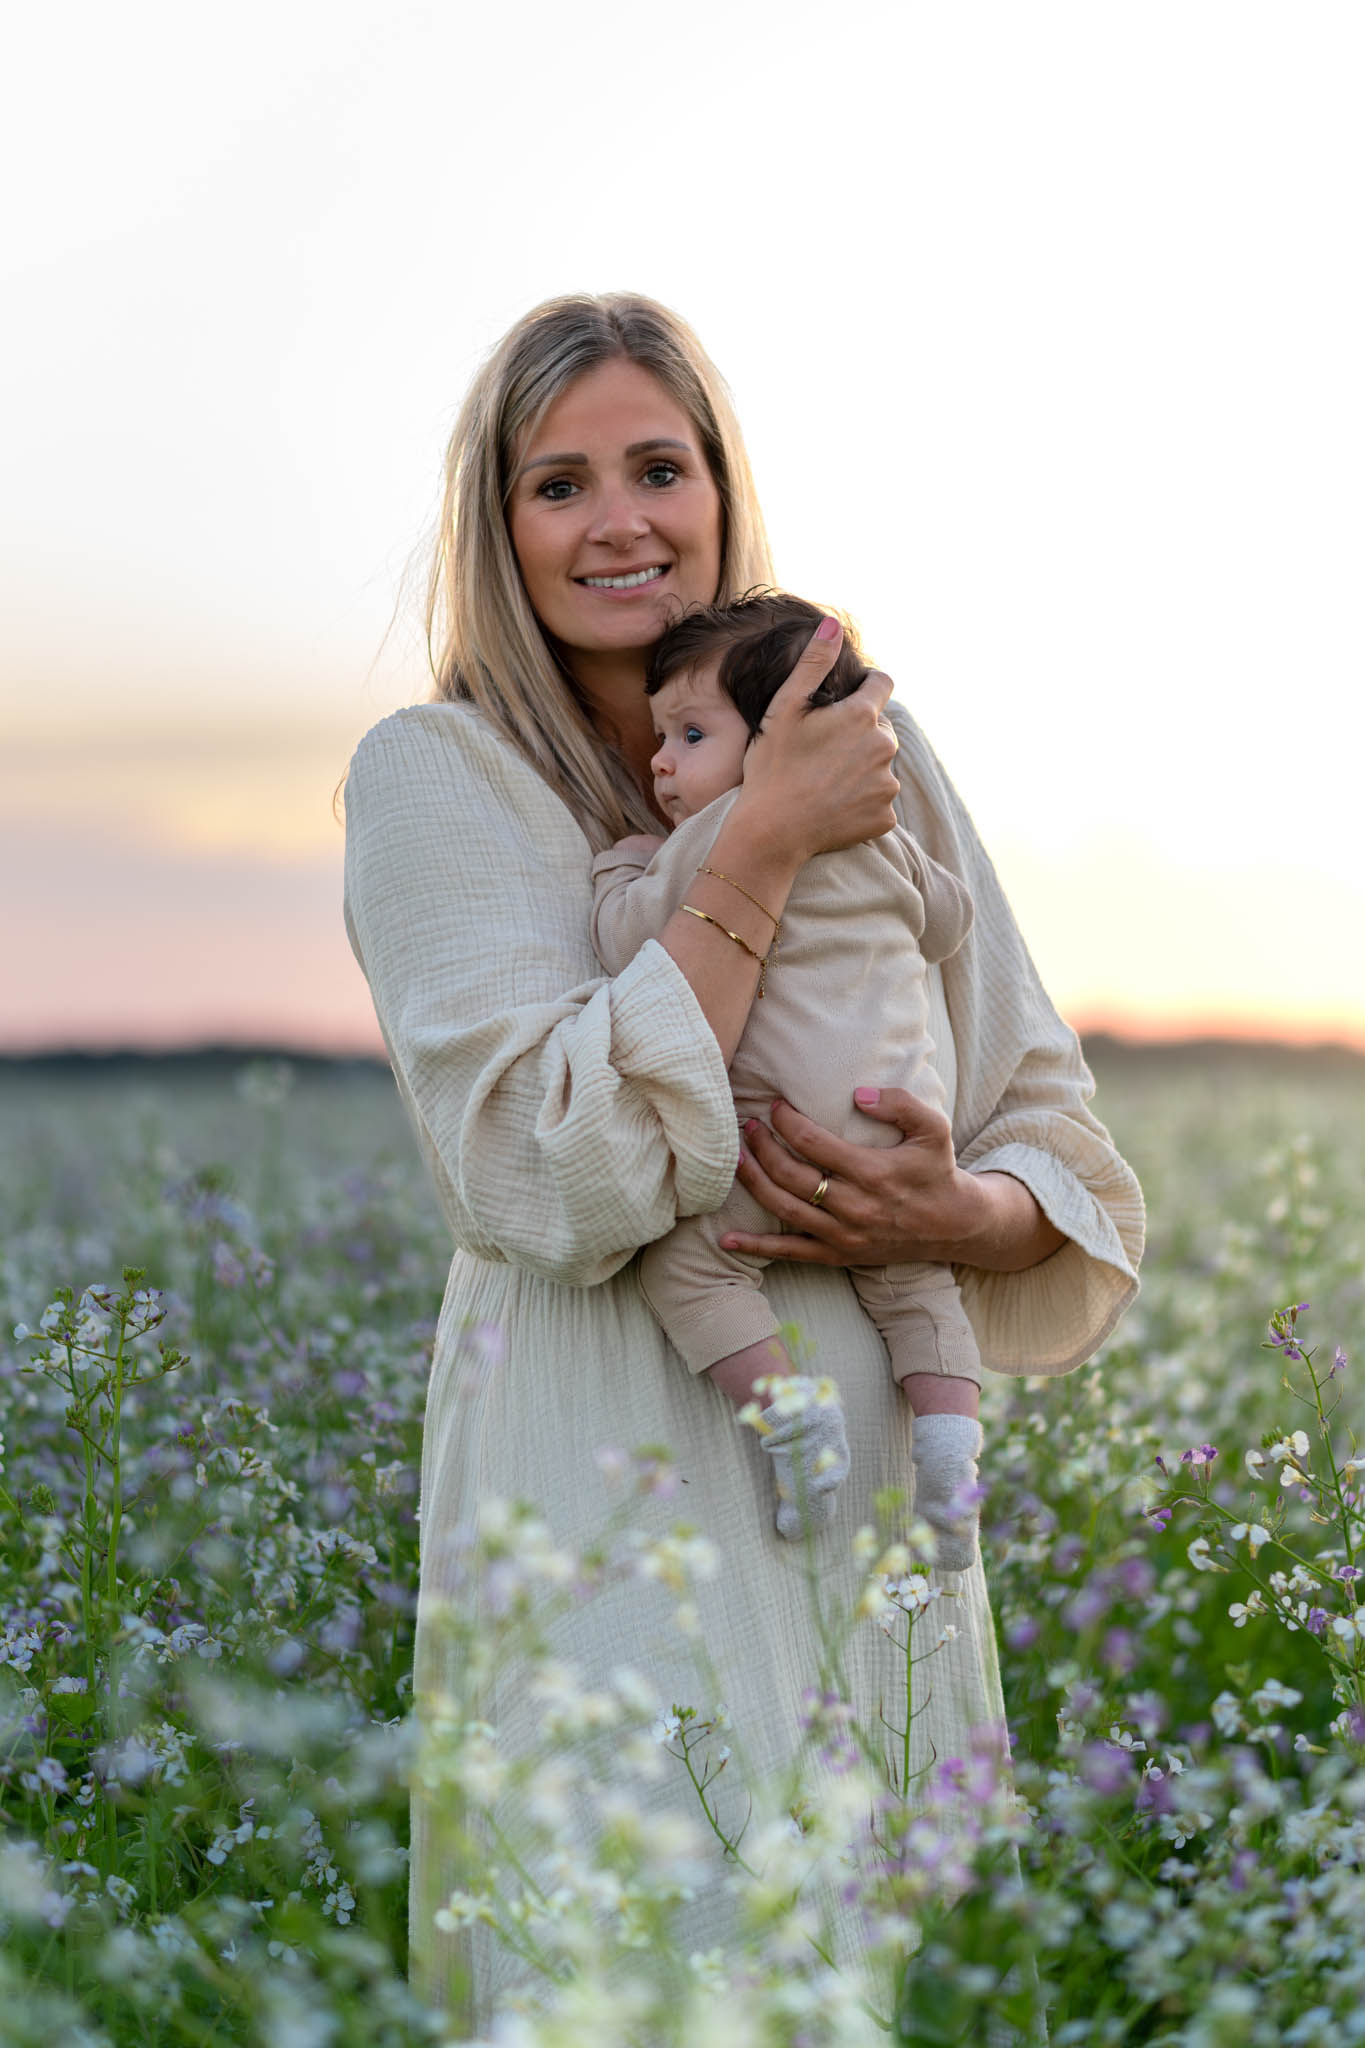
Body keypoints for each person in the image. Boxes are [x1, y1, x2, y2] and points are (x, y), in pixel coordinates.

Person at [341, 292, 1145, 2025]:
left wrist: (967, 1214)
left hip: (866, 1480)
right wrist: (761, 838)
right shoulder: (439, 777)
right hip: (597, 1467)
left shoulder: (860, 725)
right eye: (561, 483)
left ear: (720, 489)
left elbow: (1044, 1112)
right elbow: (547, 1171)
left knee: (872, 1967)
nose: (619, 518)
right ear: (499, 526)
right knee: (635, 1957)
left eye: (659, 465)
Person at [591, 589, 986, 1565]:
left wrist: (620, 873)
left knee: (687, 1260)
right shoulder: (883, 837)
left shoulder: (724, 831)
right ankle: (949, 1458)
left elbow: (628, 944)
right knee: (920, 1289)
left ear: (781, 743)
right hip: (896, 1128)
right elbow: (949, 920)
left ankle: (794, 1421)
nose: (662, 761)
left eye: (690, 732)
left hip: (774, 1131)